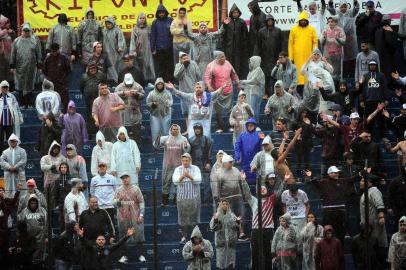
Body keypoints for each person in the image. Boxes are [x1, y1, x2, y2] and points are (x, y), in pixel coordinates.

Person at [305, 166, 353, 243]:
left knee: (340, 234)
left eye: (337, 172)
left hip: (340, 212)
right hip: (329, 212)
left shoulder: (342, 181)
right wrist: (310, 176)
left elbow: (352, 179)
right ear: (329, 174)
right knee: (328, 232)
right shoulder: (324, 182)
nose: (337, 174)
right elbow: (314, 182)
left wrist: (362, 173)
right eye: (334, 173)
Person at [240, 173, 277, 269]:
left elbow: (279, 190)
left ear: (267, 190)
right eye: (260, 189)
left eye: (264, 188)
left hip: (268, 230)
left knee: (269, 253)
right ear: (257, 191)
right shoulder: (253, 201)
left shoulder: (271, 199)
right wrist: (243, 181)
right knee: (255, 254)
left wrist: (285, 181)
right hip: (256, 231)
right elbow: (247, 193)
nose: (262, 189)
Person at [211, 154, 249, 241]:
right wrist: (218, 200)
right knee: (230, 216)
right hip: (226, 199)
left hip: (238, 196)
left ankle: (241, 233)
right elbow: (217, 188)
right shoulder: (219, 173)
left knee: (242, 214)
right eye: (230, 162)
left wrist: (244, 193)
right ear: (224, 163)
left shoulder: (236, 170)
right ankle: (232, 235)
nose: (232, 163)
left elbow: (241, 182)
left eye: (232, 162)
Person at [113, 172, 146, 263]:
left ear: (130, 178)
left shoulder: (136, 189)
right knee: (123, 236)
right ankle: (123, 256)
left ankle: (141, 255)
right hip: (123, 217)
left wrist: (141, 215)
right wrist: (118, 200)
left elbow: (142, 202)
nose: (125, 179)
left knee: (139, 235)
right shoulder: (118, 190)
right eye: (123, 178)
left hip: (135, 216)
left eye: (126, 177)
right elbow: (114, 203)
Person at [154, 124, 190, 206]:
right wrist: (157, 139)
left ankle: (176, 200)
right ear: (171, 130)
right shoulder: (165, 138)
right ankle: (164, 201)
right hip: (168, 164)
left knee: (178, 183)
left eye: (176, 129)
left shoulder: (183, 139)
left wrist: (186, 146)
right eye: (173, 129)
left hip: (178, 165)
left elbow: (187, 150)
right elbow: (156, 145)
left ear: (179, 130)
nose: (175, 130)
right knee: (166, 182)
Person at [205, 51, 239, 133]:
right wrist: (209, 86)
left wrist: (237, 83)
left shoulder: (227, 63)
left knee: (230, 109)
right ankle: (219, 127)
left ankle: (231, 126)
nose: (225, 58)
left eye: (224, 56)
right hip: (217, 91)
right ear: (217, 58)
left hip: (229, 89)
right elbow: (207, 77)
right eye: (222, 57)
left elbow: (233, 74)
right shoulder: (211, 66)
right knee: (218, 110)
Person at [10, 22, 41, 107]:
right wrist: (12, 65)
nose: (26, 32)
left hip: (31, 67)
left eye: (28, 31)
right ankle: (22, 104)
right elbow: (13, 54)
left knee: (30, 85)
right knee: (20, 85)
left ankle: (29, 104)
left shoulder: (35, 40)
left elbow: (39, 53)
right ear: (22, 31)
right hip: (19, 67)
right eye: (25, 31)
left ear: (30, 31)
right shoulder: (17, 41)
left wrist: (39, 65)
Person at [173, 153, 202, 244]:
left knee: (194, 218)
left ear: (190, 160)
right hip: (182, 198)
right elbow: (175, 181)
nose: (185, 162)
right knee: (182, 219)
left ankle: (194, 237)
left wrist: (189, 176)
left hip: (194, 198)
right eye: (183, 161)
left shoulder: (195, 168)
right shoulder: (178, 169)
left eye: (187, 160)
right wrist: (183, 176)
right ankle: (184, 237)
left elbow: (198, 180)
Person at [360, 173, 388, 265]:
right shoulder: (367, 192)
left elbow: (379, 204)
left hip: (375, 226)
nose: (361, 182)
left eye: (363, 180)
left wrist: (381, 216)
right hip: (368, 226)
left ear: (369, 183)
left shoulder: (374, 191)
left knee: (378, 249)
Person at [327, 0, 360, 76]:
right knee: (342, 58)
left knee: (351, 58)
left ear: (347, 7)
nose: (343, 8)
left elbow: (356, 9)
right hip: (340, 40)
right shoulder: (337, 14)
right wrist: (331, 4)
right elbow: (331, 10)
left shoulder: (351, 13)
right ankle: (343, 76)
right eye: (342, 7)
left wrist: (355, 3)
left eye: (345, 6)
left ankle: (351, 75)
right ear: (339, 7)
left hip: (350, 40)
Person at [288, 11, 319, 93]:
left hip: (309, 57)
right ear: (299, 20)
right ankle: (298, 93)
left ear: (307, 20)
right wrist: (291, 57)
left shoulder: (311, 29)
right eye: (301, 20)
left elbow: (315, 42)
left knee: (308, 75)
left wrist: (315, 54)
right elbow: (290, 44)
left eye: (305, 20)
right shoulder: (293, 30)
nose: (303, 21)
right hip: (297, 57)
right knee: (298, 76)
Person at [17, 194, 47, 266]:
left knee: (39, 260)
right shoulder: (24, 212)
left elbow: (47, 225)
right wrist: (19, 237)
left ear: (37, 203)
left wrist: (47, 236)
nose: (33, 205)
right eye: (31, 203)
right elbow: (20, 225)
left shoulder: (43, 211)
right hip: (28, 240)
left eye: (34, 203)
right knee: (29, 259)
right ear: (28, 203)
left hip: (40, 238)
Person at [257, 15, 282, 98]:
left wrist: (281, 57)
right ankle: (266, 93)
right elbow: (258, 45)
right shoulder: (261, 32)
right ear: (266, 21)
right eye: (268, 20)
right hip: (265, 58)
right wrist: (259, 57)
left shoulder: (278, 31)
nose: (270, 22)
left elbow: (281, 44)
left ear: (273, 21)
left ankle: (276, 93)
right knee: (266, 77)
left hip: (275, 57)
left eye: (271, 20)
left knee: (276, 76)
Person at [210, 199, 240, 269]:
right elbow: (212, 228)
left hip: (230, 243)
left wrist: (238, 222)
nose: (225, 205)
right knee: (221, 264)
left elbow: (237, 228)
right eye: (223, 204)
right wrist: (216, 220)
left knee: (230, 263)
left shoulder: (232, 215)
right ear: (220, 205)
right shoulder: (217, 215)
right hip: (221, 243)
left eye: (226, 204)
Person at [114, 73, 144, 144]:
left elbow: (143, 95)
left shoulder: (137, 86)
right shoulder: (119, 86)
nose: (129, 84)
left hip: (135, 113)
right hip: (123, 114)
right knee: (124, 133)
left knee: (137, 134)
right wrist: (123, 93)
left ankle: (137, 149)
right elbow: (114, 95)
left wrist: (136, 94)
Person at [174, 51, 201, 129]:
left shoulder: (193, 63)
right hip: (183, 91)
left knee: (195, 110)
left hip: (194, 91)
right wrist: (183, 66)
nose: (185, 59)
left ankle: (196, 128)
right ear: (180, 59)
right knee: (186, 112)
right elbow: (176, 76)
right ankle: (189, 128)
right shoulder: (178, 65)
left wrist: (199, 87)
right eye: (183, 58)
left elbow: (199, 75)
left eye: (186, 57)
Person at [222, 4, 248, 78]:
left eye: (237, 12)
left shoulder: (242, 22)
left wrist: (244, 48)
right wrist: (224, 24)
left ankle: (238, 80)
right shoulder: (228, 21)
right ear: (231, 13)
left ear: (239, 13)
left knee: (238, 65)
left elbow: (245, 36)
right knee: (229, 64)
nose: (235, 14)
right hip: (229, 48)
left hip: (239, 49)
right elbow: (223, 34)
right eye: (234, 12)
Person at [80, 64, 106, 138]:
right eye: (91, 69)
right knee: (90, 117)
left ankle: (101, 133)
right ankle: (91, 134)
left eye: (94, 68)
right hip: (89, 101)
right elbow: (81, 88)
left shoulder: (101, 75)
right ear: (88, 69)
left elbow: (105, 85)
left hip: (100, 101)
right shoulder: (84, 77)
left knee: (101, 116)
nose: (93, 70)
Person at [234, 118, 263, 184]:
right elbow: (237, 146)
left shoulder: (259, 135)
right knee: (245, 180)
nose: (250, 127)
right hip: (245, 161)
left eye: (251, 125)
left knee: (256, 179)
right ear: (246, 126)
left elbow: (263, 148)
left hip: (256, 161)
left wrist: (262, 139)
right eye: (248, 125)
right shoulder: (242, 135)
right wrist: (237, 156)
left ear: (254, 126)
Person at [188, 123, 212, 203]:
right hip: (194, 165)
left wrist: (208, 162)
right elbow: (188, 154)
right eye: (196, 129)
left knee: (206, 183)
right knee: (195, 182)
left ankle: (206, 200)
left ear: (201, 129)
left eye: (199, 129)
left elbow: (210, 152)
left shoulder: (206, 139)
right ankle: (196, 199)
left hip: (204, 163)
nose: (197, 130)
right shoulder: (190, 140)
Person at [43, 43, 71, 111]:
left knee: (65, 102)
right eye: (53, 51)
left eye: (56, 51)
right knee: (52, 102)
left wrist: (62, 78)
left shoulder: (63, 58)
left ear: (58, 50)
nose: (54, 52)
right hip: (51, 84)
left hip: (62, 84)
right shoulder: (48, 58)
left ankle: (65, 117)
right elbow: (44, 70)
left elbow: (68, 70)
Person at [130, 12, 155, 82]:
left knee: (149, 64)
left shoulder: (149, 27)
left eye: (143, 18)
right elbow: (132, 41)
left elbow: (153, 38)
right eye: (140, 18)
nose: (142, 20)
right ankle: (142, 81)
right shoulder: (135, 28)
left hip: (148, 50)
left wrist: (154, 48)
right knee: (141, 65)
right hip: (139, 50)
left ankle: (150, 81)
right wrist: (133, 51)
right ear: (138, 19)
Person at [151, 4, 174, 81]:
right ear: (157, 13)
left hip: (169, 47)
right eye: (160, 12)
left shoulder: (170, 20)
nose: (161, 14)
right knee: (161, 66)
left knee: (170, 65)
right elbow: (153, 36)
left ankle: (170, 81)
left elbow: (174, 33)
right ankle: (161, 82)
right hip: (159, 48)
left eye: (162, 12)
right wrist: (152, 48)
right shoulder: (155, 22)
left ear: (165, 12)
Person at [146, 78, 173, 142]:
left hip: (166, 114)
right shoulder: (151, 93)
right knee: (155, 130)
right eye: (158, 84)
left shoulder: (168, 93)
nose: (160, 85)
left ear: (163, 85)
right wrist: (153, 104)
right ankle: (156, 145)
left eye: (161, 84)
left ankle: (165, 144)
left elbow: (171, 102)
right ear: (156, 85)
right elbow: (148, 102)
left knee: (166, 130)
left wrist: (167, 103)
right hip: (155, 114)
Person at [0, 133, 26, 198]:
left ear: (17, 141)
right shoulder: (5, 152)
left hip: (18, 173)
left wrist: (15, 167)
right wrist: (9, 167)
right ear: (9, 142)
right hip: (9, 174)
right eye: (11, 141)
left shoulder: (22, 151)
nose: (13, 142)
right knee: (9, 192)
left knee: (20, 192)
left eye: (14, 141)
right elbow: (2, 161)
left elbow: (23, 161)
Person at [321, 16, 346, 81]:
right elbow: (321, 42)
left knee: (337, 73)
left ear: (335, 22)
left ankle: (337, 86)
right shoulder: (325, 30)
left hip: (337, 54)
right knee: (328, 72)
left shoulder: (340, 30)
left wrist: (338, 39)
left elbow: (344, 42)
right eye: (329, 22)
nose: (330, 23)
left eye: (332, 22)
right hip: (327, 55)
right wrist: (324, 37)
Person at [0, 183, 20, 265]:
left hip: (8, 230)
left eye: (2, 191)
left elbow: (13, 202)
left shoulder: (7, 201)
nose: (0, 192)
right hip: (1, 232)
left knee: (10, 249)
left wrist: (18, 191)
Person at [102, 16, 126, 84]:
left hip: (115, 52)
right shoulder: (104, 31)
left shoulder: (117, 30)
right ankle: (110, 81)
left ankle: (117, 81)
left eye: (109, 23)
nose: (108, 25)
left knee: (115, 67)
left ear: (113, 23)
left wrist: (120, 47)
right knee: (108, 67)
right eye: (107, 24)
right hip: (106, 52)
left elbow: (121, 39)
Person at [0, 80, 22, 148]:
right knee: (0, 141)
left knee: (10, 139)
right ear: (0, 88)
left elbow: (17, 108)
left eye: (6, 87)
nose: (5, 89)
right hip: (0, 122)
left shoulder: (12, 97)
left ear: (8, 88)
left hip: (10, 122)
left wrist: (20, 117)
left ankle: (9, 154)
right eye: (3, 87)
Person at [55, 162, 71, 231]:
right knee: (62, 223)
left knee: (71, 222)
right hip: (61, 205)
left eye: (65, 167)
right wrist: (57, 204)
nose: (63, 169)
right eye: (62, 167)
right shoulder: (57, 180)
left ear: (67, 169)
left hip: (70, 204)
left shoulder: (71, 179)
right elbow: (56, 194)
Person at [0, 15, 14, 83]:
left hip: (9, 56)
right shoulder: (3, 31)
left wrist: (12, 33)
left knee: (10, 73)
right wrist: (6, 31)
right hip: (2, 57)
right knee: (2, 73)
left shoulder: (10, 32)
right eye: (7, 23)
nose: (9, 24)